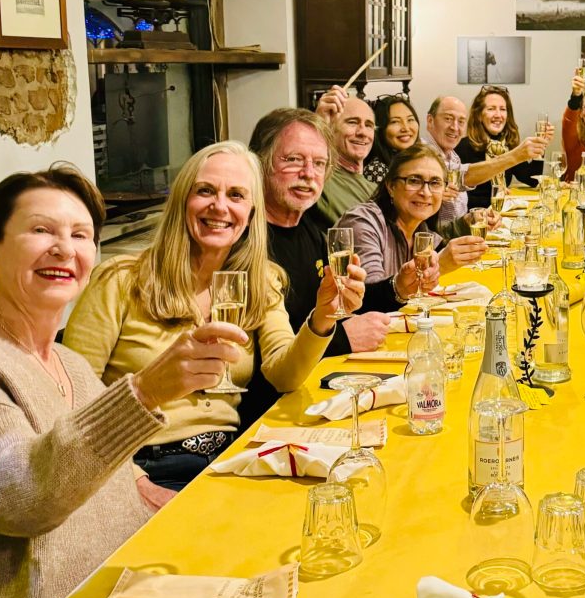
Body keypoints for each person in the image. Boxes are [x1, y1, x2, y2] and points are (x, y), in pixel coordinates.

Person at [0, 166, 246, 598]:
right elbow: (20, 497)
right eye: (42, 230)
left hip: (129, 597)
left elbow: (101, 468)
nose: (65, 248)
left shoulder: (71, 364)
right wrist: (145, 392)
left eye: (81, 234)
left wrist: (169, 502)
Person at [64, 142, 363, 490]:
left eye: (236, 195)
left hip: (228, 459)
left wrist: (323, 317)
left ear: (251, 213)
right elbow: (71, 405)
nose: (219, 206)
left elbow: (285, 375)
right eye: (205, 191)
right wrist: (134, 483)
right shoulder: (120, 278)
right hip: (144, 463)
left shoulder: (261, 280)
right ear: (181, 201)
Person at [237, 109, 402, 428]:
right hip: (268, 418)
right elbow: (259, 366)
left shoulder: (312, 230)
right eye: (293, 160)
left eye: (319, 163)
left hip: (315, 396)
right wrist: (341, 337)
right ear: (260, 163)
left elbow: (338, 307)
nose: (308, 173)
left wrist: (399, 286)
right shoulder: (244, 241)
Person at [341, 145, 487, 288]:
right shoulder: (363, 222)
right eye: (414, 181)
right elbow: (367, 298)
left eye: (435, 183)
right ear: (391, 186)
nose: (426, 192)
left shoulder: (423, 231)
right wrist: (438, 267)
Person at [457, 85, 549, 208]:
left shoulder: (507, 146)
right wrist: (496, 199)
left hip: (500, 213)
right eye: (491, 109)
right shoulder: (462, 147)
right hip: (476, 219)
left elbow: (532, 179)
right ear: (479, 115)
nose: (498, 115)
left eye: (503, 109)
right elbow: (460, 197)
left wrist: (540, 146)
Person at [314, 88, 378, 225]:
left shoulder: (375, 189)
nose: (362, 132)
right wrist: (319, 124)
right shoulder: (321, 178)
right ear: (330, 128)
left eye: (369, 125)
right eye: (352, 122)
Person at [422, 96, 472, 225]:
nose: (455, 127)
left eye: (461, 122)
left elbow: (456, 219)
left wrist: (474, 218)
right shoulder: (422, 154)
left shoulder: (453, 156)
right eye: (448, 119)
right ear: (430, 121)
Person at [362, 95, 421, 183]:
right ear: (379, 129)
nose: (406, 128)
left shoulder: (421, 160)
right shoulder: (376, 170)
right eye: (395, 122)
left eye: (410, 120)